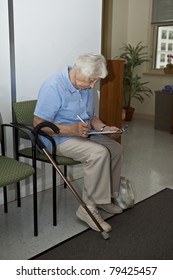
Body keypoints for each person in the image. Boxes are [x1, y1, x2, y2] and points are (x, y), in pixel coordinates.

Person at [33, 53, 123, 233]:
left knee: (115, 149)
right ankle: (87, 209)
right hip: (56, 138)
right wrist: (71, 130)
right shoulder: (54, 86)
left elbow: (91, 118)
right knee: (98, 153)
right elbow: (38, 124)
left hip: (82, 134)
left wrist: (104, 128)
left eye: (95, 81)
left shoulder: (86, 87)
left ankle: (103, 199)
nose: (92, 86)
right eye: (91, 80)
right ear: (77, 71)